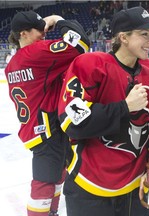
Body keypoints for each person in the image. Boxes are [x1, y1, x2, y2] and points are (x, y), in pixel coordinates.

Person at [57, 6, 149, 216]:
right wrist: (124, 107)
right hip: (90, 184)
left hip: (136, 187)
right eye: (144, 34)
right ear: (123, 38)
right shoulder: (90, 64)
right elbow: (71, 122)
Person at [4, 10, 90, 216]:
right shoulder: (37, 53)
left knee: (57, 176)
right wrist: (58, 20)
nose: (44, 34)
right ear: (23, 33)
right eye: (39, 30)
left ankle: (52, 212)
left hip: (35, 127)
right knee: (43, 183)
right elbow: (80, 44)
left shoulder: (12, 64)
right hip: (46, 129)